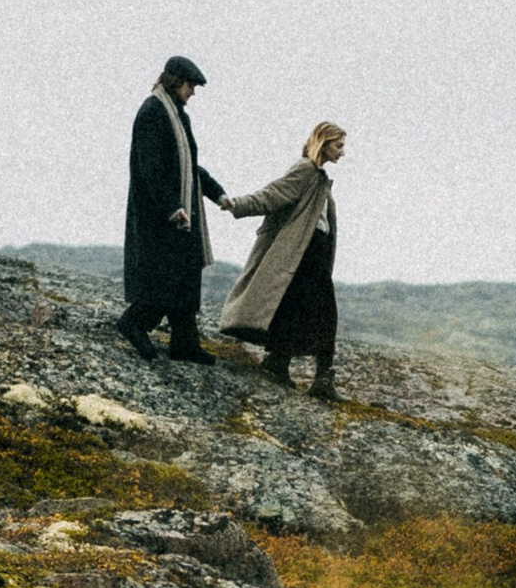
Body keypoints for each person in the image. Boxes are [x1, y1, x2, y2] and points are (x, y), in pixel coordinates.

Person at [217, 121, 347, 394]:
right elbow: (273, 195)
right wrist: (237, 204)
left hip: (313, 252)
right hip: (302, 252)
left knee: (295, 307)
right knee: (323, 312)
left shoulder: (319, 176)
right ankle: (319, 378)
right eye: (338, 146)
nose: (342, 152)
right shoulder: (306, 169)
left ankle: (280, 362)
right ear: (323, 143)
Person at [117, 57, 231, 362]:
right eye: (190, 85)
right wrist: (172, 207)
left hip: (180, 211)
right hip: (159, 214)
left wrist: (217, 193)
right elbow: (151, 168)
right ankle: (133, 323)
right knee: (164, 278)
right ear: (175, 81)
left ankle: (185, 343)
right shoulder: (152, 112)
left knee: (185, 276)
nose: (192, 92)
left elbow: (190, 167)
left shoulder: (179, 116)